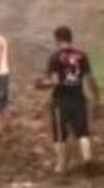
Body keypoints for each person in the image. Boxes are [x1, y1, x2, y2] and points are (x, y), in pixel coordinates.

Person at [36, 26, 100, 174]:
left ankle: (61, 165)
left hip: (61, 100)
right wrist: (96, 95)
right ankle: (87, 158)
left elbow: (55, 81)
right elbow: (89, 78)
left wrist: (41, 85)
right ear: (71, 38)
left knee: (60, 134)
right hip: (78, 98)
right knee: (82, 131)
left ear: (57, 40)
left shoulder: (55, 58)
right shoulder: (82, 56)